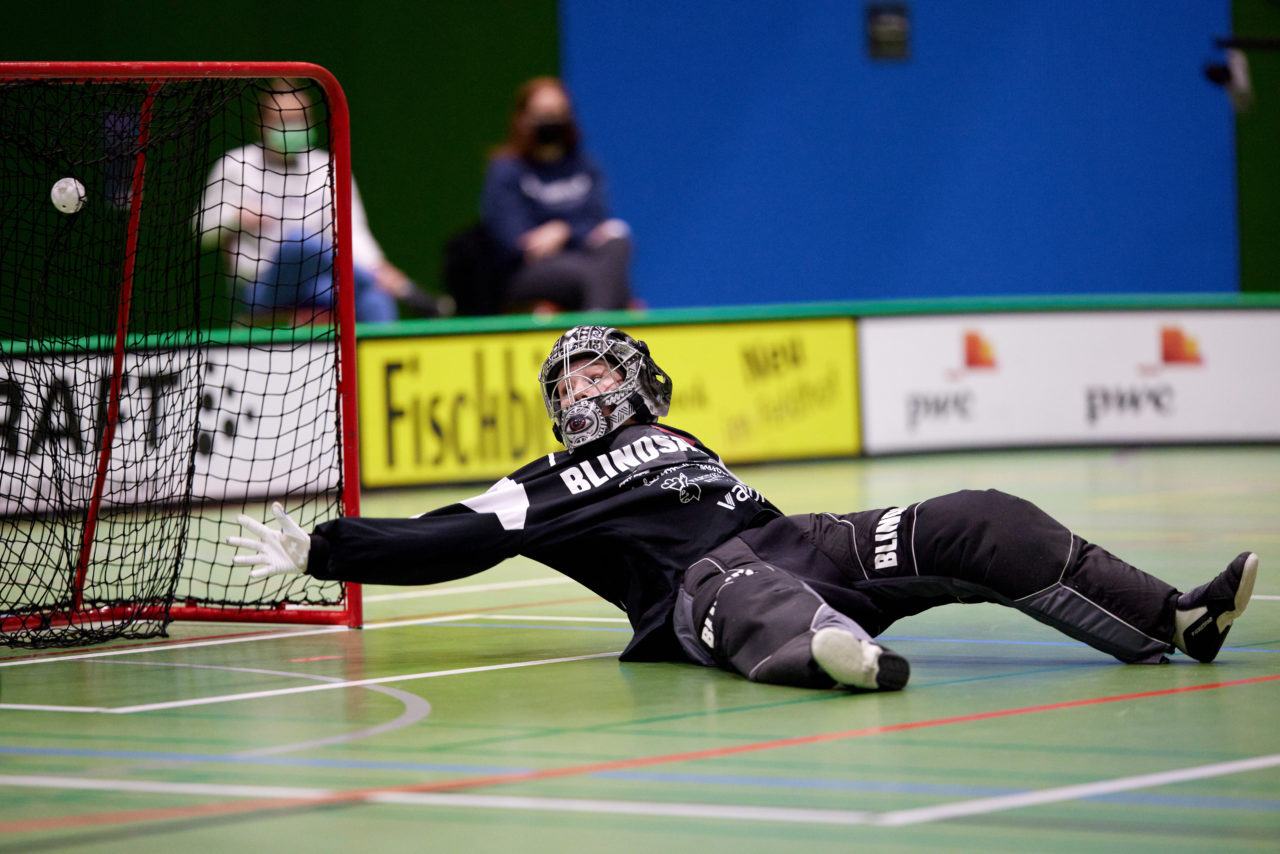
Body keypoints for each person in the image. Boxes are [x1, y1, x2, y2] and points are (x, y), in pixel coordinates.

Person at [229, 326, 1259, 692]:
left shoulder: (677, 436)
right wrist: (332, 548)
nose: (583, 385)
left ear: (639, 380)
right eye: (568, 377)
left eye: (598, 368)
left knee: (980, 515)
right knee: (748, 586)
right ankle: (836, 655)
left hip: (801, 537)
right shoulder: (545, 479)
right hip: (701, 591)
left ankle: (1175, 618)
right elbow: (454, 535)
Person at [197, 80, 447, 324]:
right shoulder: (235, 165)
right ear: (261, 123)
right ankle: (406, 291)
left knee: (374, 297)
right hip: (261, 287)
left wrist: (378, 268)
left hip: (318, 283)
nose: (291, 127)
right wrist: (235, 216)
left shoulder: (327, 167)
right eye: (282, 120)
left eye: (299, 119)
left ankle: (380, 320)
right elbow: (201, 228)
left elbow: (354, 234)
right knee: (299, 242)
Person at [479, 77, 635, 313]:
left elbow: (597, 226)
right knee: (602, 278)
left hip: (586, 258)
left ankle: (595, 322)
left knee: (619, 243)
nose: (551, 121)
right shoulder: (506, 170)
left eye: (558, 113)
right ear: (522, 119)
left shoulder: (586, 168)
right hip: (527, 272)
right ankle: (598, 328)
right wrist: (562, 236)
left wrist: (563, 231)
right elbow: (513, 241)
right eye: (542, 113)